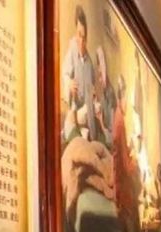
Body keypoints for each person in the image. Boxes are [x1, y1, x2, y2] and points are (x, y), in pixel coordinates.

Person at [61, 5, 98, 142]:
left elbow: (93, 88)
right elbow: (65, 73)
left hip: (87, 115)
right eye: (78, 35)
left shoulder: (89, 63)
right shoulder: (72, 50)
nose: (80, 40)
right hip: (75, 112)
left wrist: (93, 95)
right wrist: (69, 83)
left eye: (83, 36)